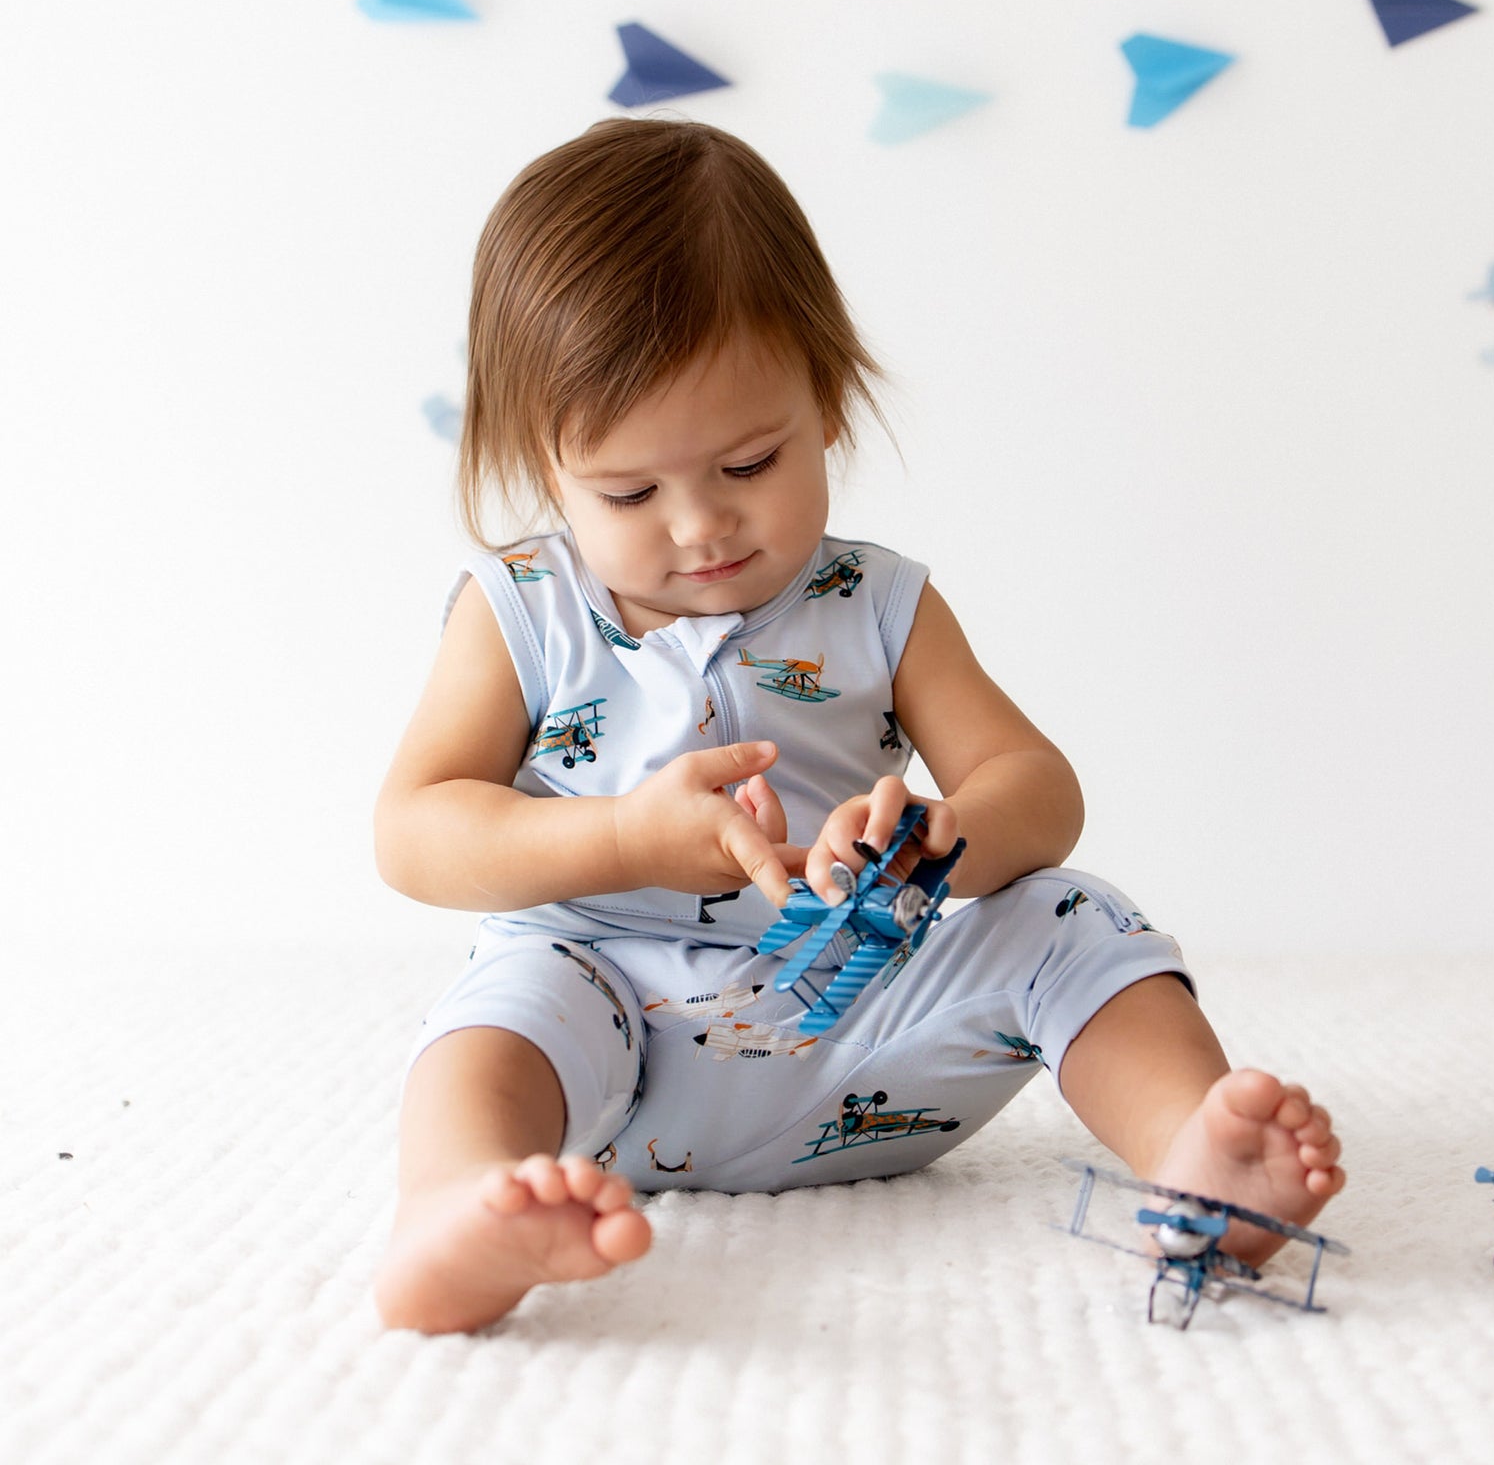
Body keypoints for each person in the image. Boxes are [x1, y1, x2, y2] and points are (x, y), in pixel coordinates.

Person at [372, 117, 1345, 1334]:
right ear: (545, 465)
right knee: (504, 1004)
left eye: (750, 462)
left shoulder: (878, 604)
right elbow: (416, 831)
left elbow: (1036, 784)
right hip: (609, 1037)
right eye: (630, 493)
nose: (699, 528)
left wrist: (943, 837)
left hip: (861, 1034)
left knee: (1070, 915)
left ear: (825, 401)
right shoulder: (520, 609)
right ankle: (460, 1209)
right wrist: (619, 839)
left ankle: (1197, 1156)